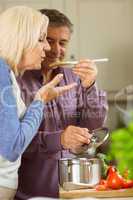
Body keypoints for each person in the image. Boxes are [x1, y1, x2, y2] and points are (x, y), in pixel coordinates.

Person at [15, 9, 108, 199]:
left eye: (63, 42)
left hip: (72, 189)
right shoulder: (16, 79)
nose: (56, 50)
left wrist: (90, 86)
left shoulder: (75, 76)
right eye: (49, 41)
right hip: (27, 192)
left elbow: (93, 127)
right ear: (35, 39)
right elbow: (13, 140)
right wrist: (59, 139)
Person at [0, 6, 77, 200]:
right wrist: (40, 101)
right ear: (22, 39)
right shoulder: (2, 75)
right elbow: (13, 146)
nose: (48, 48)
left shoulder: (6, 73)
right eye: (42, 39)